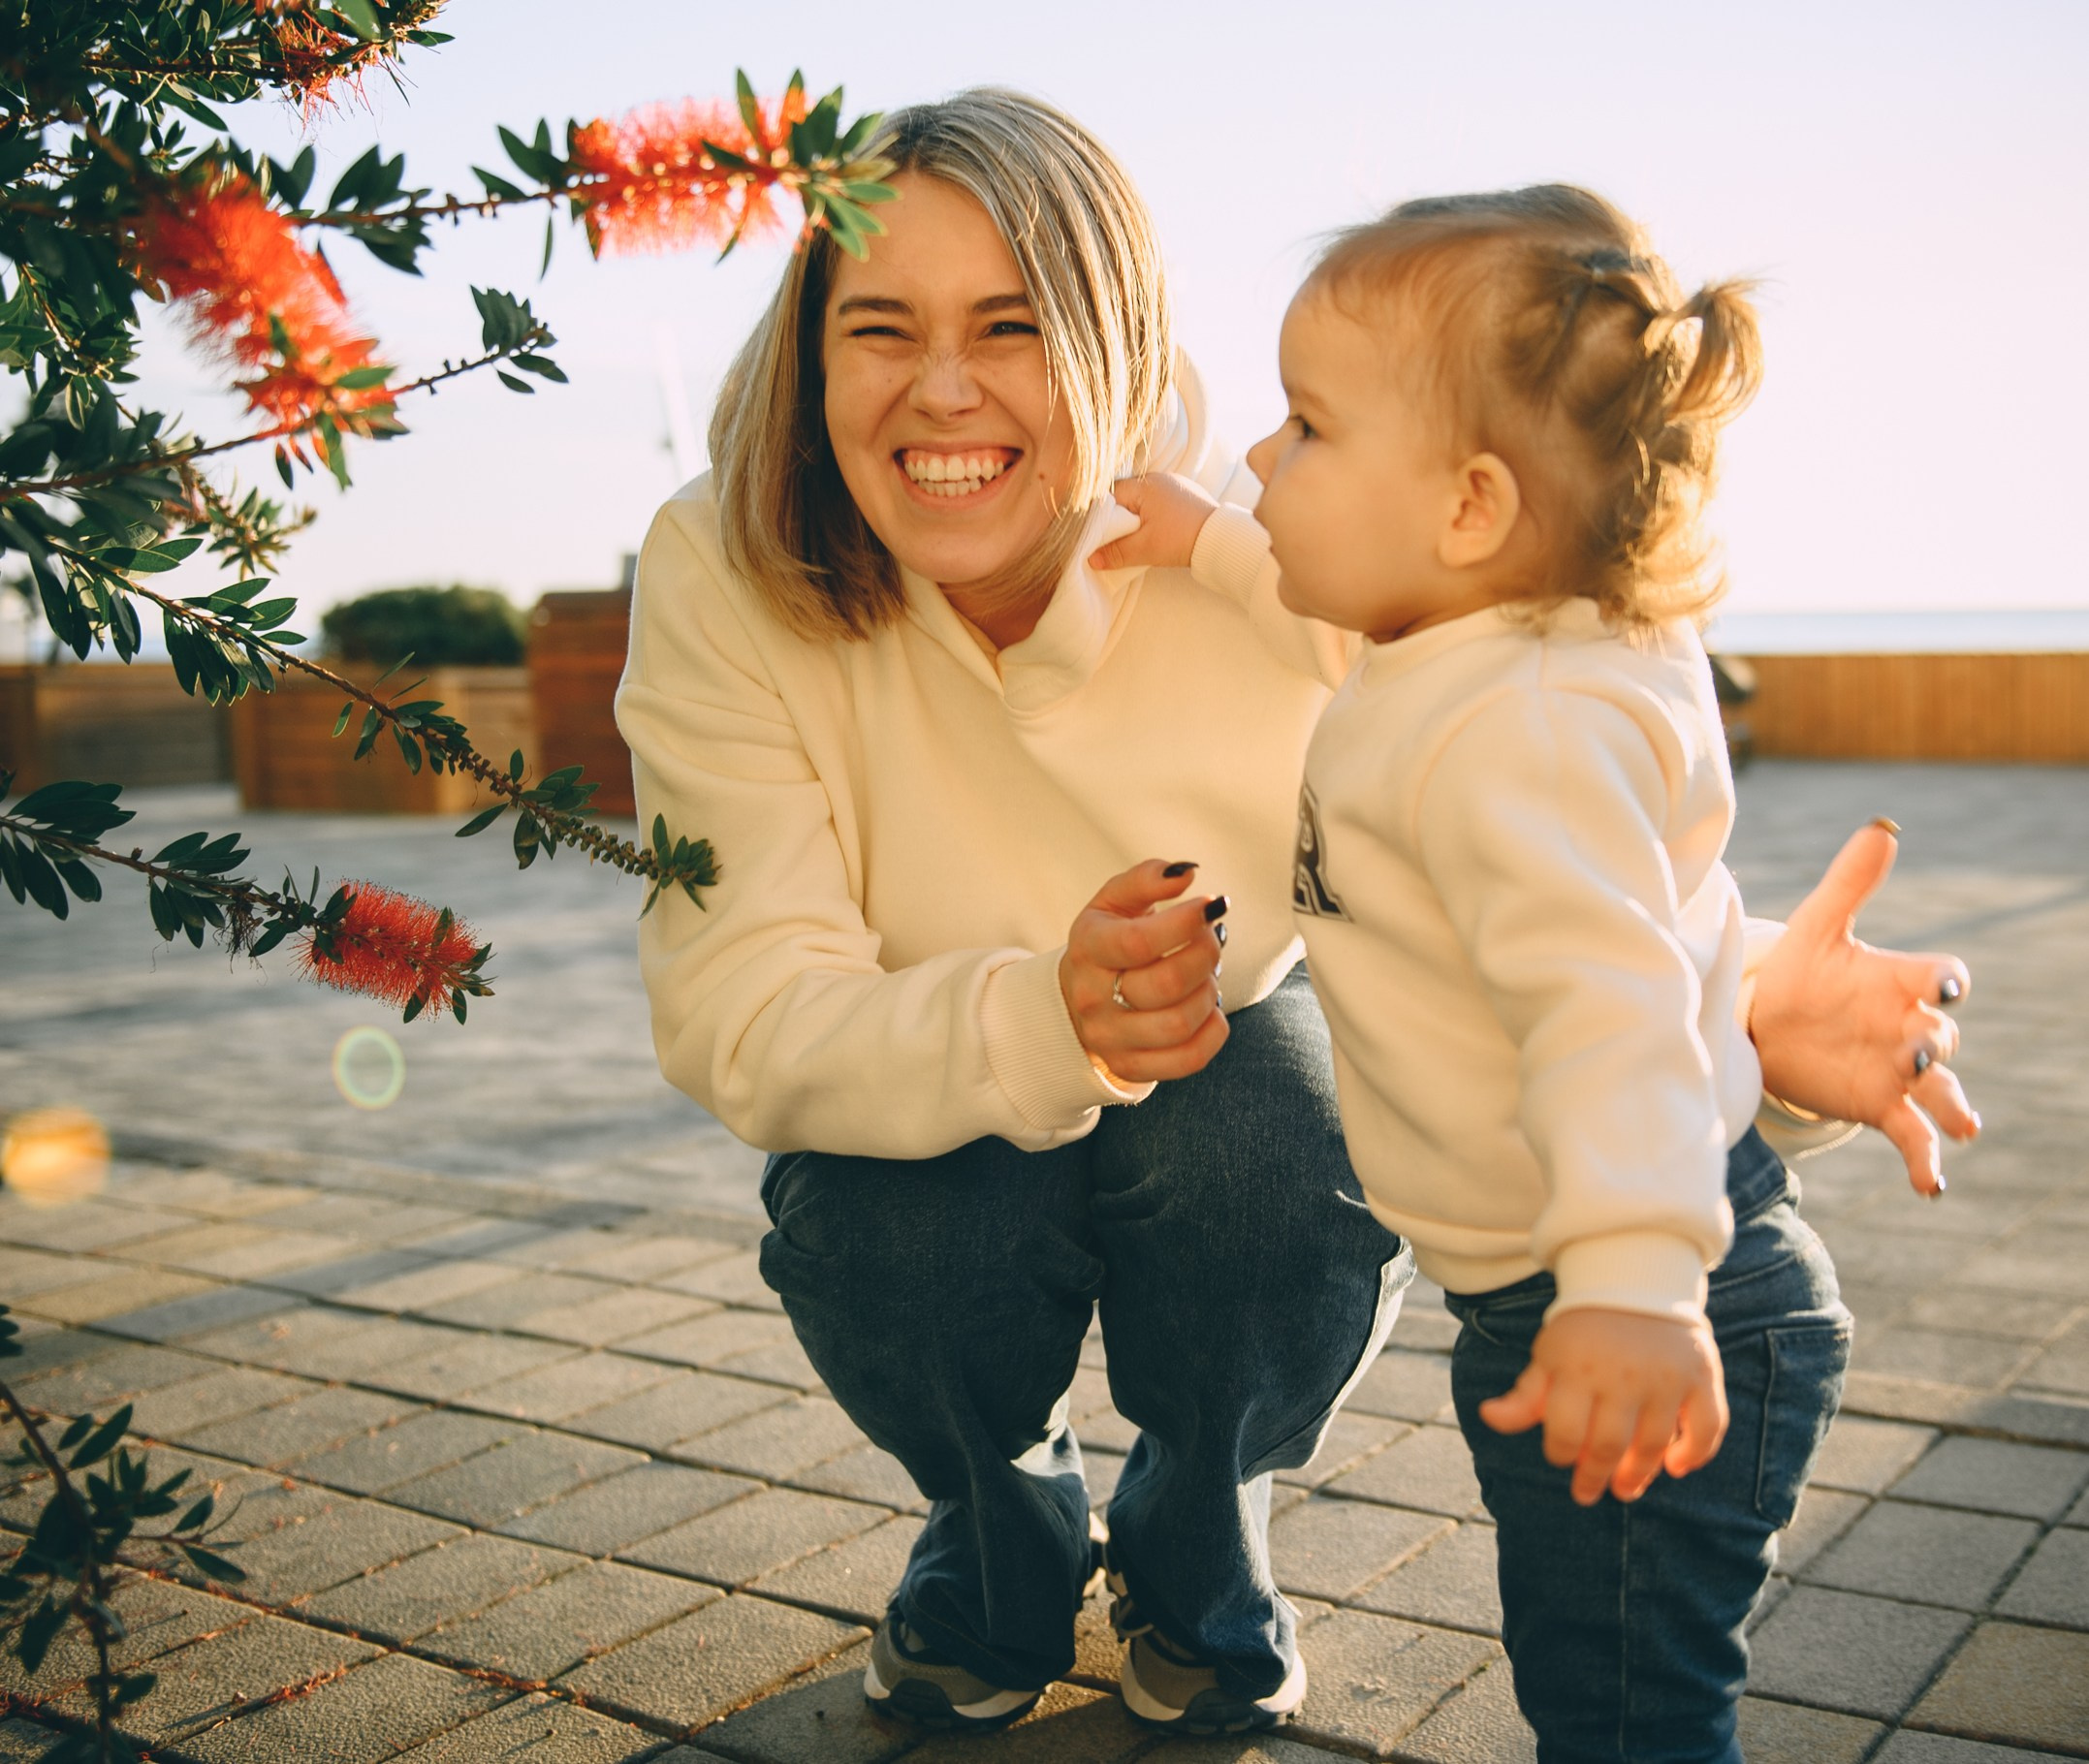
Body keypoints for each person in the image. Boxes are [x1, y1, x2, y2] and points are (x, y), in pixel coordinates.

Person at [616, 94, 1978, 1741]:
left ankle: (1200, 1542)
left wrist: (1751, 1017)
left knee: (1279, 1147)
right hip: (943, 1090)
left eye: (1013, 327)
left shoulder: (1315, 535)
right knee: (900, 1224)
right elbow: (743, 1007)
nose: (945, 389)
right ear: (808, 349)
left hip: (1398, 1148)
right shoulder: (729, 563)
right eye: (879, 328)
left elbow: (1563, 874)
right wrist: (1040, 1018)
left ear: (1114, 329)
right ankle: (999, 1535)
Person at [1105, 184, 1976, 1761]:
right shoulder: (1488, 647)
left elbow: (1616, 1018)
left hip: (1649, 1303)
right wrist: (1215, 548)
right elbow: (1349, 627)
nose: (1256, 460)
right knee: (1594, 1672)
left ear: (1469, 510)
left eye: (1303, 429)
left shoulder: (1518, 740)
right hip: (1585, 1292)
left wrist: (1634, 1288)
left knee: (1627, 1712)